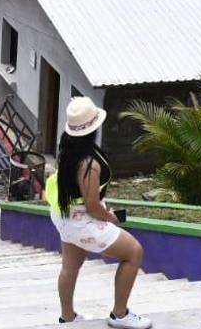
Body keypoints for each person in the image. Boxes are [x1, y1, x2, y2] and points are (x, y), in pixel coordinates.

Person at [46, 97, 151, 328]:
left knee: (69, 267)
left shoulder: (68, 148)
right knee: (134, 252)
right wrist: (110, 218)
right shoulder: (89, 164)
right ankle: (120, 314)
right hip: (82, 221)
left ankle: (67, 318)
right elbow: (93, 206)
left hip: (64, 216)